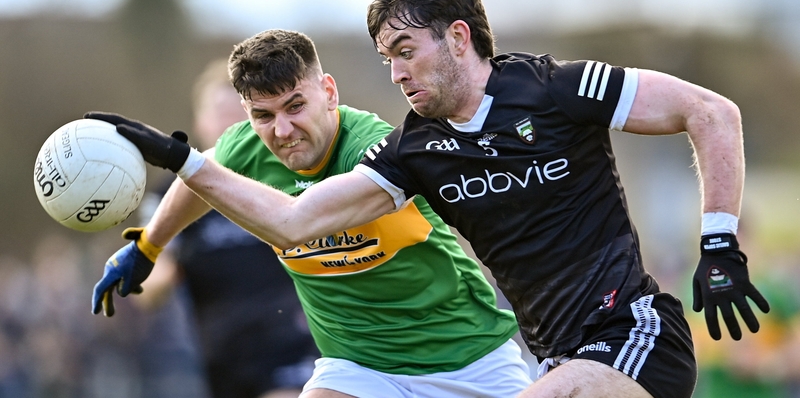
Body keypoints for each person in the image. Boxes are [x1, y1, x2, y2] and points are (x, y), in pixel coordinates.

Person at [84, 0, 771, 398]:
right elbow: (293, 223)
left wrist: (719, 244)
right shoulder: (414, 153)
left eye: (406, 51)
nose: (395, 73)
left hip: (631, 336)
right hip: (547, 360)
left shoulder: (556, 88)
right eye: (387, 58)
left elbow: (711, 112)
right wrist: (179, 166)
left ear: (459, 38)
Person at [89, 29, 532, 398]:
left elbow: (293, 221)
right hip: (359, 367)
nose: (283, 131)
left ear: (329, 92)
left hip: (467, 357)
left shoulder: (372, 148)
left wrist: (180, 159)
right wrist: (149, 245)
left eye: (295, 106)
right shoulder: (244, 146)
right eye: (263, 115)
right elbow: (200, 183)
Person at [132, 59, 319, 398]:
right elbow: (150, 277)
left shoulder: (289, 178)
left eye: (238, 113)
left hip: (292, 342)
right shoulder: (169, 196)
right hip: (223, 356)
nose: (228, 123)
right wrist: (154, 277)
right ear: (199, 122)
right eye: (219, 112)